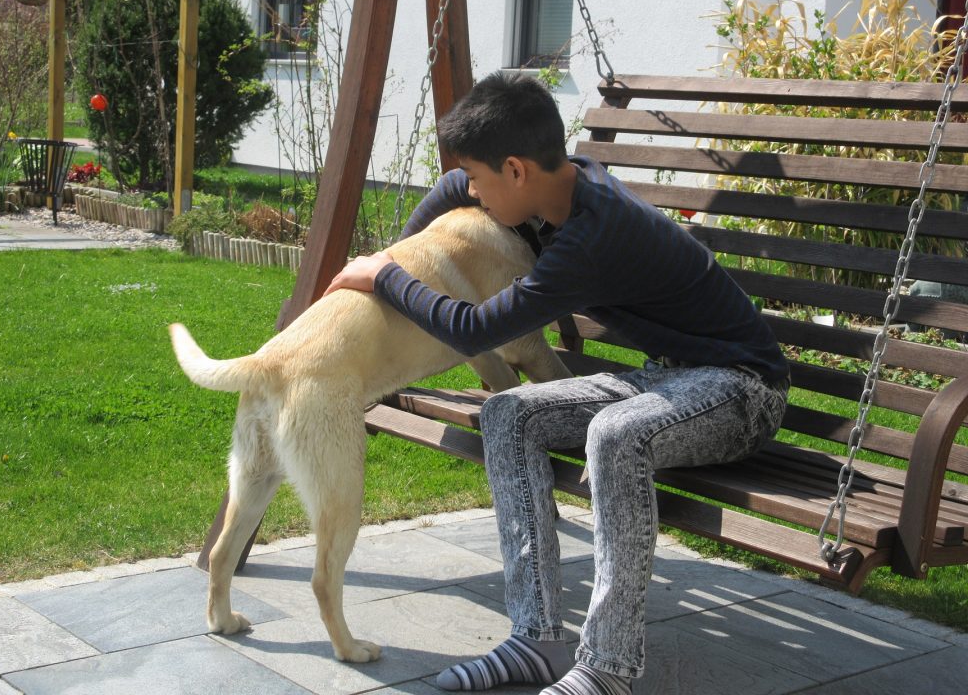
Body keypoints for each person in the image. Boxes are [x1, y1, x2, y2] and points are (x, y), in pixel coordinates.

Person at [324, 71, 789, 695]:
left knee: (617, 434)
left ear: (516, 170)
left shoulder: (593, 235)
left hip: (742, 390)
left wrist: (385, 277)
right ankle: (536, 638)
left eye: (481, 181)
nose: (472, 194)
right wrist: (401, 256)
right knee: (508, 414)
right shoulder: (550, 190)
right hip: (667, 379)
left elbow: (475, 330)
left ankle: (608, 667)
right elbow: (450, 187)